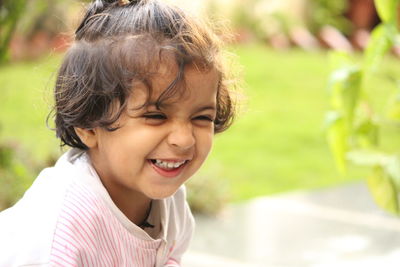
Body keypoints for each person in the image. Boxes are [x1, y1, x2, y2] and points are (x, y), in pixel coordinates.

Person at [0, 0, 237, 266]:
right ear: (89, 124)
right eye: (156, 116)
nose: (183, 139)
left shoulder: (170, 201)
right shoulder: (61, 234)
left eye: (202, 117)